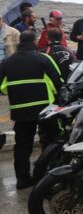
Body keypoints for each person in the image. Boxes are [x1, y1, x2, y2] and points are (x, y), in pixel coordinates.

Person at [0, 31, 62, 188]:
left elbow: (1, 88)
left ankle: (22, 179)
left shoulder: (7, 62)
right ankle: (52, 174)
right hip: (44, 109)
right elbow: (58, 82)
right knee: (52, 141)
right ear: (34, 41)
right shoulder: (43, 58)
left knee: (22, 146)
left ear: (20, 41)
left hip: (20, 111)